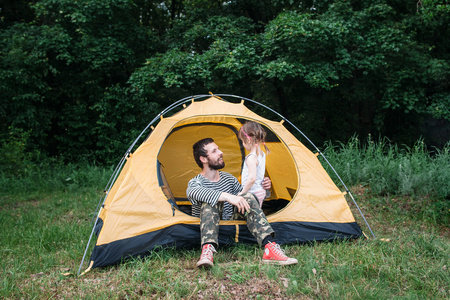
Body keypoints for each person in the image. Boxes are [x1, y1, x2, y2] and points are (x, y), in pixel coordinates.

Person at [186, 137, 298, 268]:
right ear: (204, 159)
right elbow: (192, 192)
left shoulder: (229, 179)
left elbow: (247, 198)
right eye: (215, 151)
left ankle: (269, 247)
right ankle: (207, 250)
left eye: (219, 149)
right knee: (211, 201)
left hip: (230, 225)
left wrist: (264, 189)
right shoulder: (196, 182)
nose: (221, 152)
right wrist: (228, 197)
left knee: (247, 196)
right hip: (208, 230)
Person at [237, 121, 270, 207]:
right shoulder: (262, 154)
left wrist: (242, 193)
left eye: (242, 142)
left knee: (250, 215)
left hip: (252, 193)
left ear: (248, 140)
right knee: (256, 212)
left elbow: (252, 178)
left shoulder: (251, 158)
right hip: (260, 191)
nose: (243, 144)